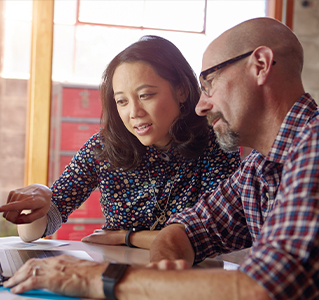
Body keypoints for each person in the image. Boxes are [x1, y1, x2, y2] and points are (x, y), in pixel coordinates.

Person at [4, 16, 318, 300]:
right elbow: (191, 229)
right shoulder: (259, 168)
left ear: (261, 65)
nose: (202, 105)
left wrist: (101, 277)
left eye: (208, 83)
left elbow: (268, 287)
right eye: (122, 101)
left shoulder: (312, 145)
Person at [0, 36, 240, 248]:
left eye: (145, 95)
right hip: (118, 277)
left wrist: (127, 237)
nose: (134, 112)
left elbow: (214, 234)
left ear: (182, 91)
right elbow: (36, 232)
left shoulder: (216, 143)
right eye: (122, 101)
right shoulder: (104, 147)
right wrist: (40, 201)